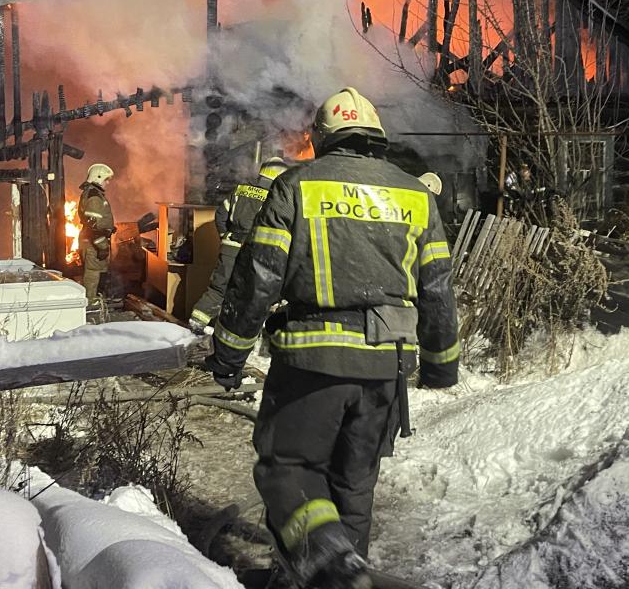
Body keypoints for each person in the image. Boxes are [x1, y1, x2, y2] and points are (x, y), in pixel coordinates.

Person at [203, 87, 460, 589]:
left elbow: (258, 277)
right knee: (353, 488)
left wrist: (229, 352)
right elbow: (438, 288)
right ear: (376, 138)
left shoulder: (296, 185)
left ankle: (330, 573)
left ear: (319, 138)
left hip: (311, 364)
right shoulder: (414, 195)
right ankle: (333, 579)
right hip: (386, 369)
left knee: (289, 473)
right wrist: (440, 364)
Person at [189, 157, 290, 334]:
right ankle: (240, 332)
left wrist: (225, 236)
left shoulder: (241, 190)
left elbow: (220, 215)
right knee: (251, 293)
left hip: (230, 246)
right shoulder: (275, 197)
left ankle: (195, 325)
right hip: (255, 252)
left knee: (218, 289)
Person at [77, 163, 115, 301]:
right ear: (98, 178)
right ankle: (91, 304)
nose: (108, 183)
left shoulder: (93, 194)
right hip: (94, 243)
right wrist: (102, 246)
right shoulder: (94, 198)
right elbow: (93, 228)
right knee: (93, 274)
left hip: (93, 242)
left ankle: (97, 300)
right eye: (106, 179)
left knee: (99, 273)